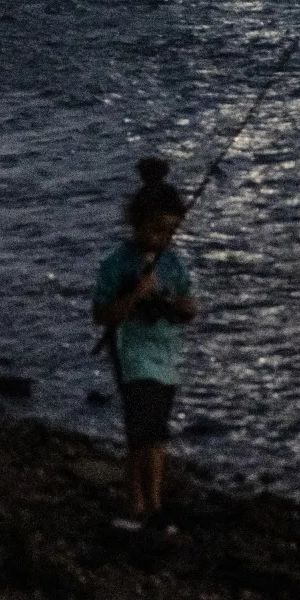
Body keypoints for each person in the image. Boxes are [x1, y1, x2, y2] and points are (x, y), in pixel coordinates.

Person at [93, 156, 198, 530]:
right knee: (144, 431)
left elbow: (188, 307)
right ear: (136, 223)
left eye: (170, 232)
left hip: (164, 355)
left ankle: (147, 503)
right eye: (155, 230)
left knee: (155, 431)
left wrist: (175, 304)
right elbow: (101, 314)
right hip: (130, 353)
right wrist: (134, 297)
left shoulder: (174, 264)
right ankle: (143, 504)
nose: (162, 239)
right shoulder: (116, 263)